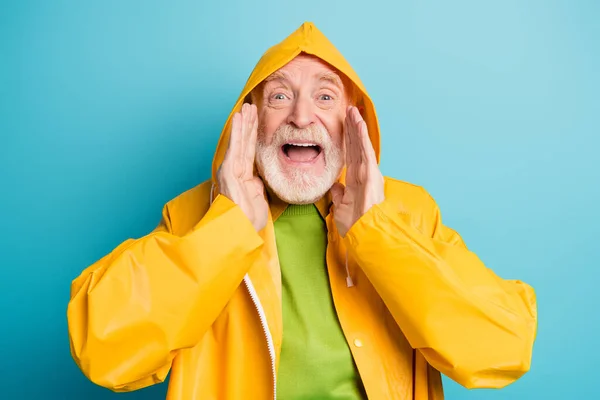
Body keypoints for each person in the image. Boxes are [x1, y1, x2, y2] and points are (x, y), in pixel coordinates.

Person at [67, 22, 537, 400]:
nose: (301, 116)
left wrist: (378, 234)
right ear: (250, 118)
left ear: (353, 122)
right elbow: (103, 348)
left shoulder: (408, 212)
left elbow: (502, 347)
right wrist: (226, 230)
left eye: (325, 97)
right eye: (279, 96)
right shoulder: (196, 216)